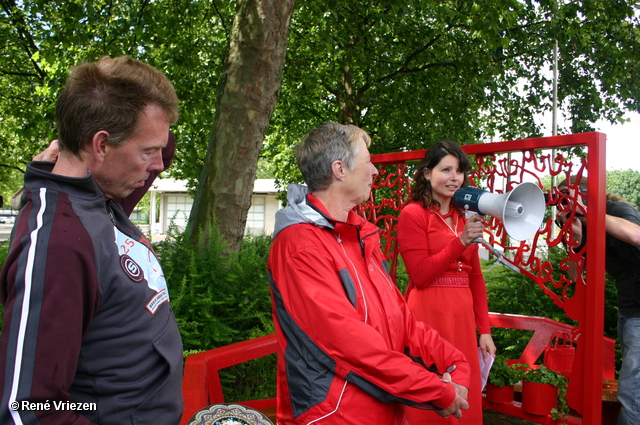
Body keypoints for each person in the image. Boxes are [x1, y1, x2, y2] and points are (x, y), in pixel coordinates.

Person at [0, 56, 184, 425]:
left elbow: (164, 145)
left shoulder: (101, 197)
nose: (159, 165)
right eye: (148, 151)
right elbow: (30, 409)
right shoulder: (59, 244)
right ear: (100, 146)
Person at [267, 121, 471, 425]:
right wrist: (438, 391)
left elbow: (403, 324)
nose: (375, 171)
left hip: (381, 412)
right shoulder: (299, 245)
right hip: (334, 416)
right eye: (368, 161)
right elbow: (351, 347)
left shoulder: (359, 237)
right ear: (340, 170)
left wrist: (456, 363)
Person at [396, 140, 496, 425]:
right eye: (446, 169)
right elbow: (420, 275)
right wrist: (460, 241)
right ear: (427, 173)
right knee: (430, 388)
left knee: (462, 390)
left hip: (462, 316)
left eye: (459, 170)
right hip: (428, 313)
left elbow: (475, 277)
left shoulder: (463, 216)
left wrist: (484, 330)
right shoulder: (413, 214)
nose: (455, 177)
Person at [555, 176, 640, 425]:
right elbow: (574, 275)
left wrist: (587, 212)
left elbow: (635, 236)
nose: (564, 204)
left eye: (568, 197)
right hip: (629, 307)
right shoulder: (580, 223)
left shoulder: (617, 210)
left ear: (587, 194)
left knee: (631, 388)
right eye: (561, 199)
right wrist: (576, 233)